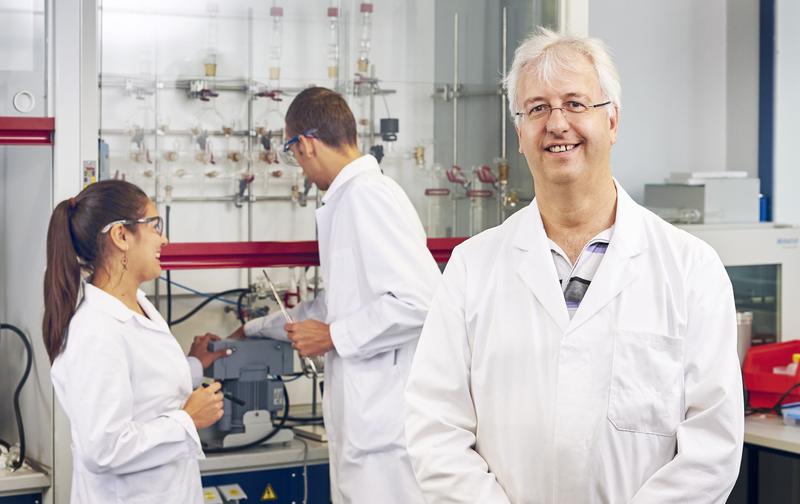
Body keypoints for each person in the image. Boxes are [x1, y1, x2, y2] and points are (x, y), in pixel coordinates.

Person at [404, 28, 744, 503]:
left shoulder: (690, 269)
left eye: (576, 103)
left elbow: (711, 448)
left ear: (613, 122)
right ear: (520, 133)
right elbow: (435, 429)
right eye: (537, 108)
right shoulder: (472, 268)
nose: (557, 123)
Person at [228, 87, 441, 503]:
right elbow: (336, 305)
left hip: (387, 433)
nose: (300, 167)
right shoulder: (350, 199)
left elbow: (421, 299)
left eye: (292, 152)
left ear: (305, 144)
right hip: (369, 429)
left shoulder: (368, 196)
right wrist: (254, 329)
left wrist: (332, 337)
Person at [43, 179, 224, 503]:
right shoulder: (96, 330)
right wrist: (188, 421)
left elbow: (143, 390)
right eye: (155, 226)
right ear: (121, 236)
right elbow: (104, 449)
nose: (164, 239)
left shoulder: (137, 304)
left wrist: (196, 365)